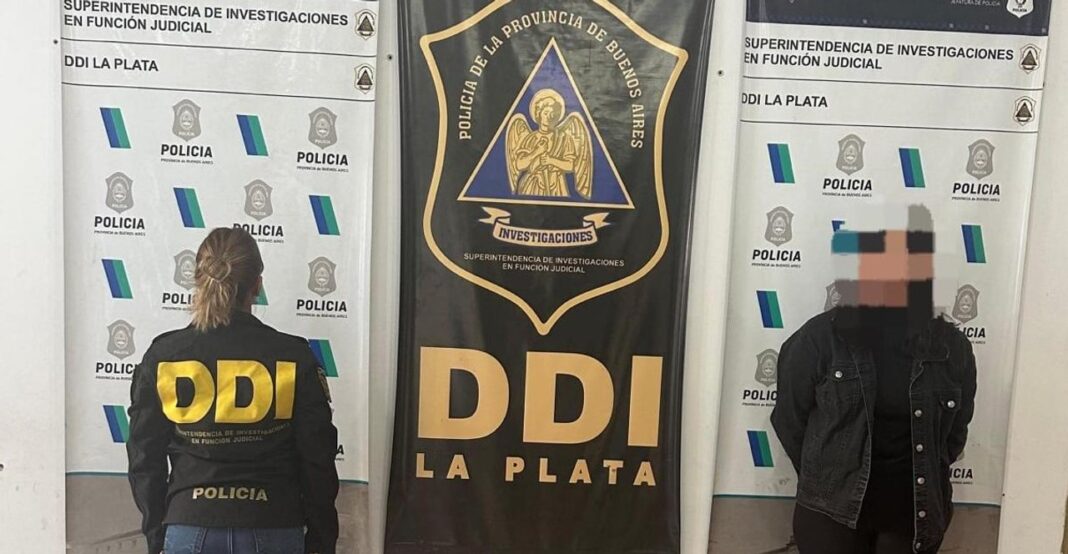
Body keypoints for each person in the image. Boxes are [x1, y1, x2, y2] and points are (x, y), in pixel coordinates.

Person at [771, 205, 977, 553]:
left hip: (914, 517)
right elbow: (789, 420)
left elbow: (954, 434)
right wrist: (825, 476)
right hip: (830, 516)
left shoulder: (951, 348)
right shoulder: (820, 339)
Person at [126, 227, 339, 554]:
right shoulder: (293, 356)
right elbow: (318, 459)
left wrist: (158, 535)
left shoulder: (165, 356)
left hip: (189, 522)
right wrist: (321, 542)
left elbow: (144, 458)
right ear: (257, 284)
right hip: (274, 524)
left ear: (198, 280)